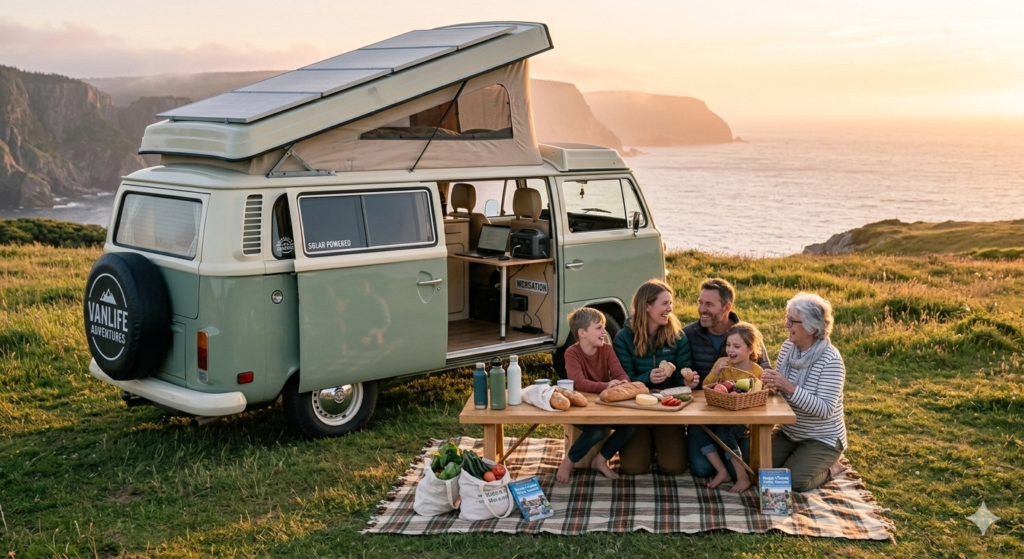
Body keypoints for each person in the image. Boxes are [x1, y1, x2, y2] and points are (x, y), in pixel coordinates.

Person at [683, 278, 770, 477]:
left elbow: (764, 374)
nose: (702, 309)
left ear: (727, 307)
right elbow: (683, 373)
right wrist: (687, 381)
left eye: (709, 304)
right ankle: (716, 455)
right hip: (704, 416)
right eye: (700, 302)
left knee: (746, 468)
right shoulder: (689, 334)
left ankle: (734, 453)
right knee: (702, 470)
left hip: (739, 418)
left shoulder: (745, 334)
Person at [761, 292, 847, 492]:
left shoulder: (831, 361)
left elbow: (825, 409)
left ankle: (832, 468)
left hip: (822, 438)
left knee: (794, 482)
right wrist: (770, 384)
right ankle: (800, 458)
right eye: (787, 319)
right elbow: (781, 391)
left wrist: (788, 387)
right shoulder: (788, 347)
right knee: (758, 465)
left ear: (813, 327)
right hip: (790, 431)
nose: (786, 326)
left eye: (792, 321)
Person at [613, 279, 697, 475]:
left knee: (674, 467)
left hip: (667, 408)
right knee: (633, 467)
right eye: (664, 303)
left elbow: (681, 377)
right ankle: (645, 443)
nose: (670, 308)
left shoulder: (677, 337)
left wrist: (687, 382)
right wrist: (647, 377)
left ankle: (661, 441)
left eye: (671, 303)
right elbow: (624, 380)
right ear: (647, 306)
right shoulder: (624, 338)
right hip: (635, 409)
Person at [557, 307, 635, 483]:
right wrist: (606, 386)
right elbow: (579, 383)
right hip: (579, 408)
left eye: (604, 327)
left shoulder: (606, 350)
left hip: (601, 406)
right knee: (597, 431)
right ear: (582, 333)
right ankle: (568, 462)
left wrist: (622, 382)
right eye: (599, 327)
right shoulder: (572, 353)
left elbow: (620, 374)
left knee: (630, 425)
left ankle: (600, 460)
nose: (604, 331)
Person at [690, 322, 765, 492]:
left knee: (725, 432)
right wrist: (716, 373)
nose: (731, 350)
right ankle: (722, 471)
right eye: (729, 345)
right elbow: (706, 387)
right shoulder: (722, 363)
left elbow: (762, 395)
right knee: (696, 427)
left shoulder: (756, 371)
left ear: (750, 349)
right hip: (717, 414)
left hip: (739, 421)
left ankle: (742, 476)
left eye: (737, 346)